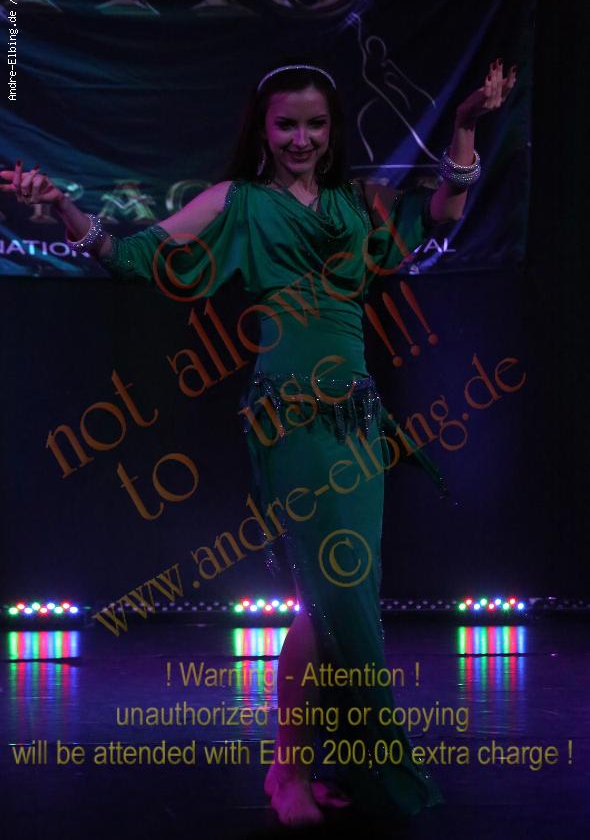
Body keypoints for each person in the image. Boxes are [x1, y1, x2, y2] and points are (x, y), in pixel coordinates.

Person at [1, 56, 516, 827]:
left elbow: (441, 212)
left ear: (331, 130)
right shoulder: (237, 202)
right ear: (263, 129)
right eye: (286, 125)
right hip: (290, 421)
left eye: (315, 124)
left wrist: (468, 122)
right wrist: (65, 209)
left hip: (358, 421)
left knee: (336, 604)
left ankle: (301, 767)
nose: (301, 138)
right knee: (335, 596)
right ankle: (305, 771)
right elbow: (135, 257)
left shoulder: (358, 203)